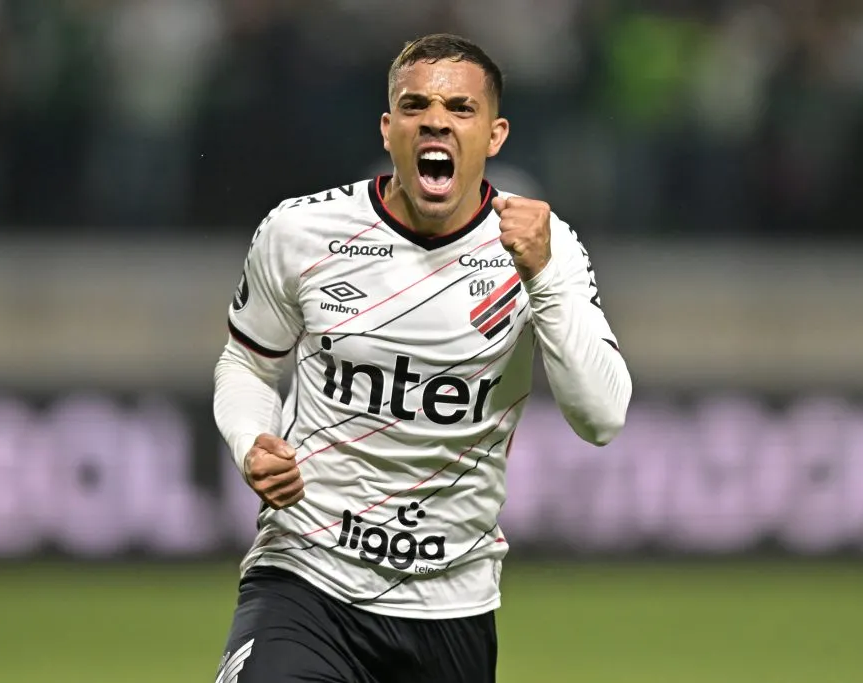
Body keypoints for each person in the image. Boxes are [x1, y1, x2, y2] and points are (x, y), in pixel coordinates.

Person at [212, 33, 632, 683]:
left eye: (460, 109)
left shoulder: (544, 250)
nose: (436, 119)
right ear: (389, 128)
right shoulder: (300, 233)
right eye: (416, 105)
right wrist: (250, 439)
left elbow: (601, 417)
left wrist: (542, 277)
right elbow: (247, 364)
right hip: (305, 578)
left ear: (495, 136)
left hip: (451, 603)